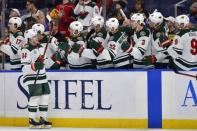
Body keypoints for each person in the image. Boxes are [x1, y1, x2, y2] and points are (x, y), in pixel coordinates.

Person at [21, 29, 52, 129]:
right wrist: (34, 65)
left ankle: (43, 118)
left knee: (46, 95)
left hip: (42, 76)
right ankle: (32, 120)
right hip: (32, 77)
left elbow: (46, 62)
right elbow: (24, 66)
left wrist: (57, 57)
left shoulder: (41, 47)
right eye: (34, 37)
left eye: (37, 36)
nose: (36, 38)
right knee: (35, 97)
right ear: (29, 38)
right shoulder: (26, 49)